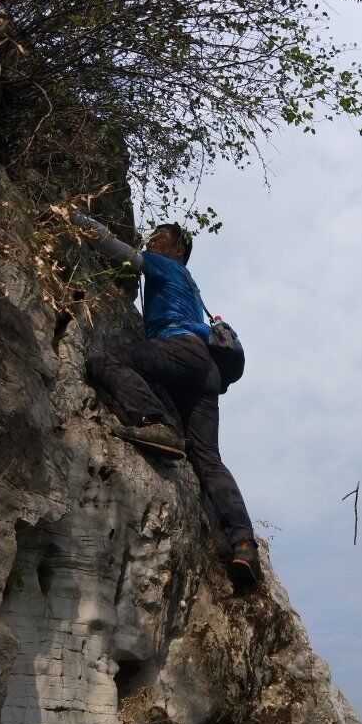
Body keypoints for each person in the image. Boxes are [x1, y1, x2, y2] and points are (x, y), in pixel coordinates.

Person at [73, 212, 260, 585]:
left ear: (177, 249)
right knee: (208, 459)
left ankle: (157, 424)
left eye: (159, 237)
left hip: (181, 350)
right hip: (206, 370)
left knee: (104, 361)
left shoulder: (163, 265)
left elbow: (116, 248)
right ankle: (243, 546)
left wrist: (75, 218)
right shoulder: (191, 284)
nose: (151, 240)